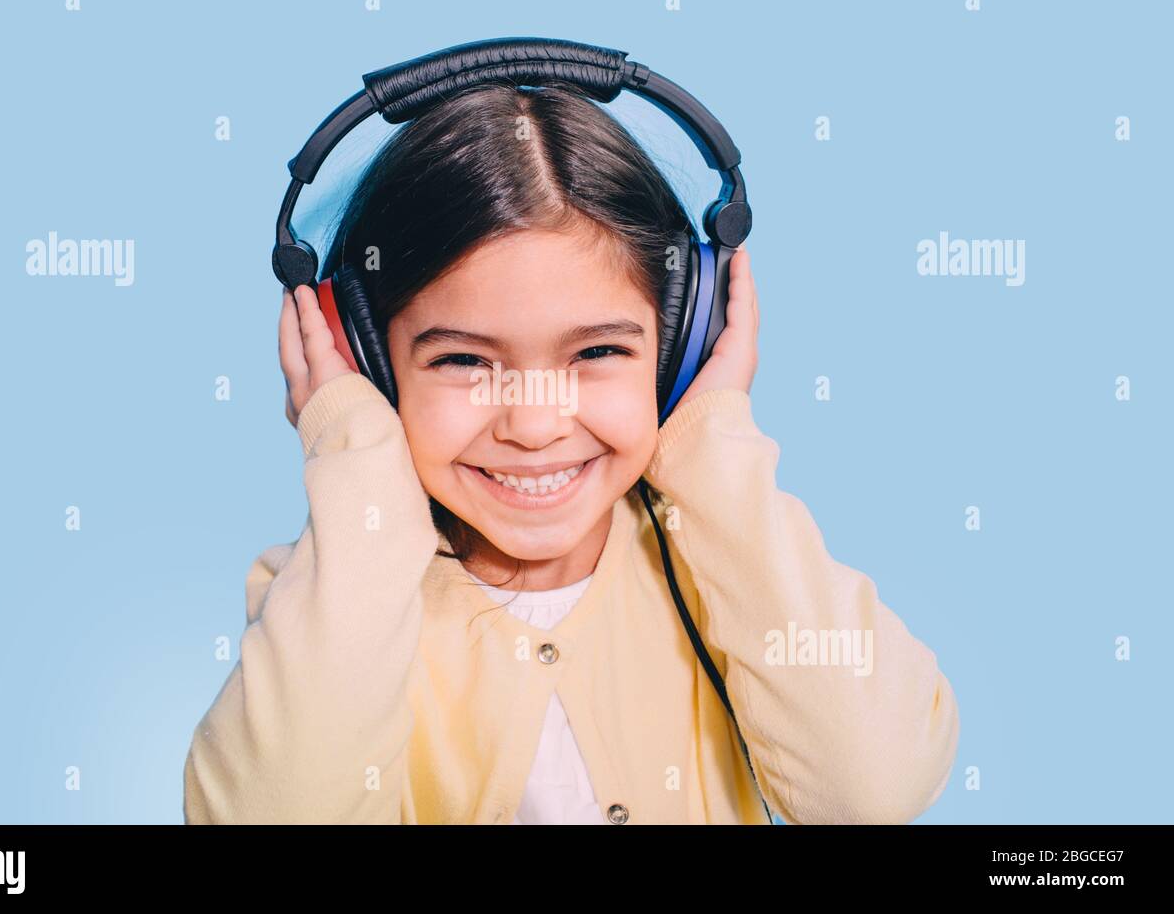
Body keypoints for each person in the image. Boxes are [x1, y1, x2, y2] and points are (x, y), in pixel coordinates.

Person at [182, 82, 960, 824]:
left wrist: (709, 444)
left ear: (681, 346)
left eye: (595, 352)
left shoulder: (737, 574)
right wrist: (357, 461)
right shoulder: (333, 591)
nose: (533, 424)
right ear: (368, 363)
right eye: (463, 362)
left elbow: (873, 788)